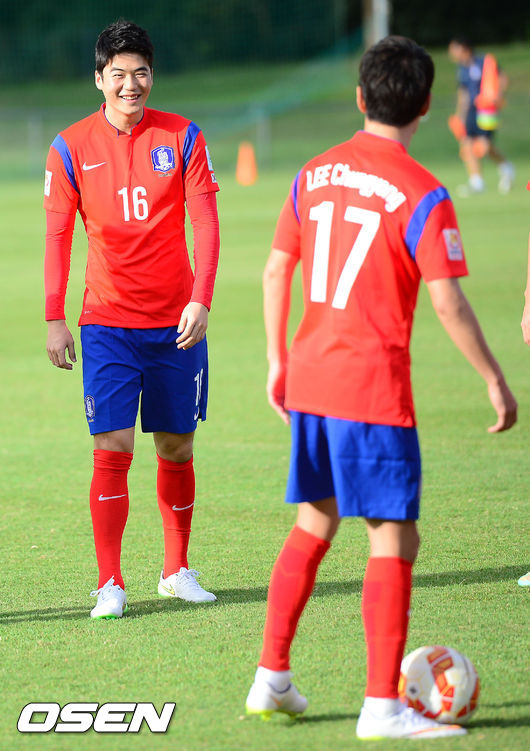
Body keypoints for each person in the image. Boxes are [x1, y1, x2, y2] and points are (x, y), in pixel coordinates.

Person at [244, 36, 517, 740]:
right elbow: (448, 301)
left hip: (310, 375)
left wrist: (276, 361)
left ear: (361, 97)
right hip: (370, 386)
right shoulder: (424, 191)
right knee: (394, 535)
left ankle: (271, 677)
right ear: (426, 106)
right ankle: (381, 707)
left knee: (314, 522)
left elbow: (275, 270)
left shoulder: (313, 172)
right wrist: (495, 378)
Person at [44, 20, 220, 618]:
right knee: (112, 444)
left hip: (177, 325)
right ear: (99, 78)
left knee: (176, 444)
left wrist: (201, 298)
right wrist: (54, 317)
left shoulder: (184, 135)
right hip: (107, 323)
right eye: (118, 74)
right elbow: (58, 236)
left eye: (140, 72)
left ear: (152, 75)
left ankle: (176, 570)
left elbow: (206, 223)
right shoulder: (69, 147)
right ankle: (110, 583)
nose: (130, 84)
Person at [448, 36, 515, 196]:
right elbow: (463, 92)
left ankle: (506, 166)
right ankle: (476, 181)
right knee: (467, 143)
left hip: (486, 109)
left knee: (484, 146)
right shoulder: (461, 68)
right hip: (471, 110)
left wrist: (498, 95)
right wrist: (460, 115)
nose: (452, 53)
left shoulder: (484, 61)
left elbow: (502, 78)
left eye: (454, 49)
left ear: (464, 48)